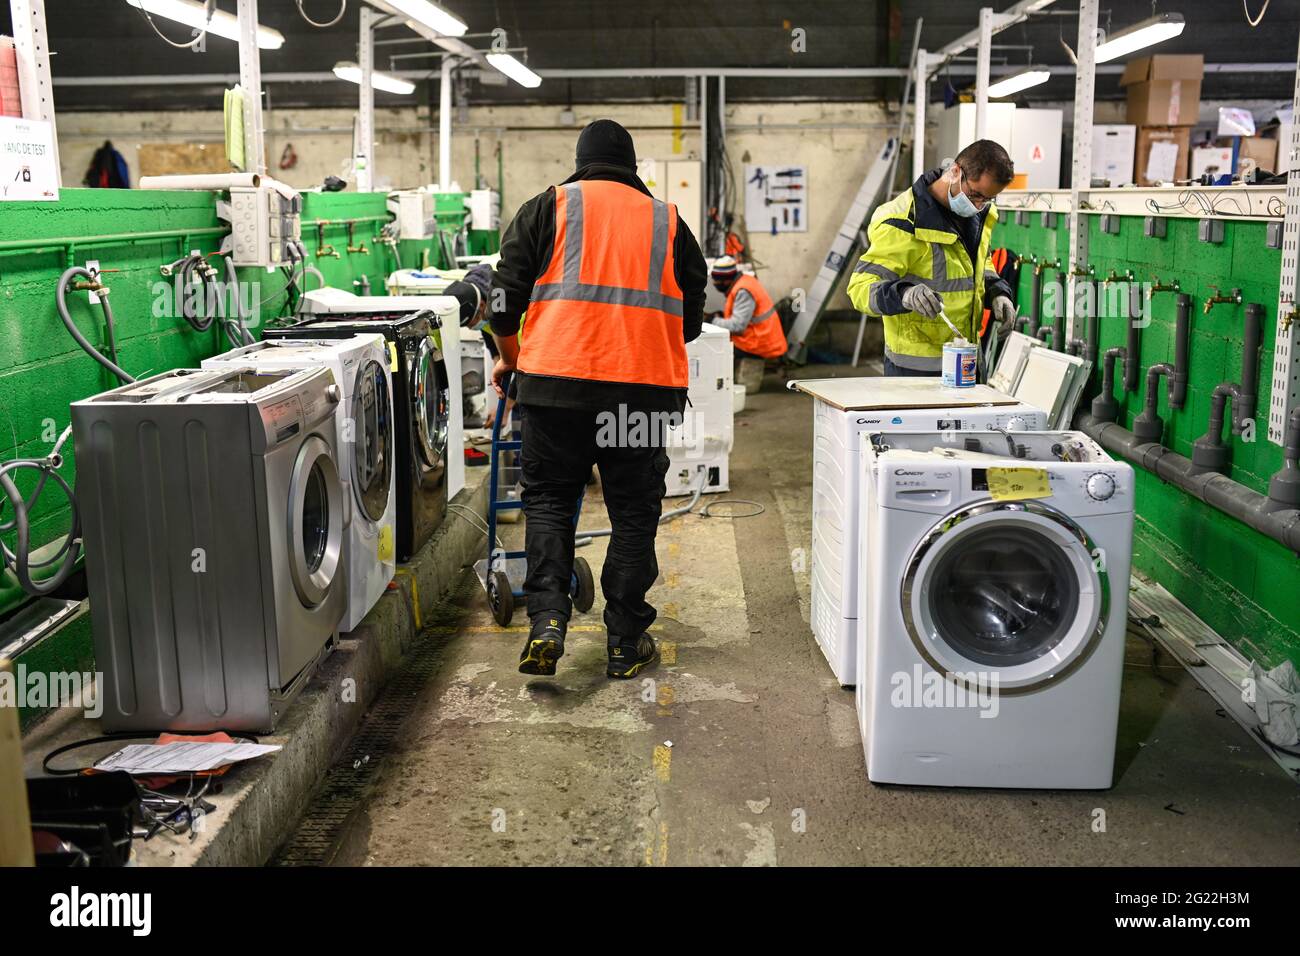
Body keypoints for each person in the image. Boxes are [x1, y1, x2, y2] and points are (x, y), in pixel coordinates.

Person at [487, 118, 708, 679]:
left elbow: (499, 303)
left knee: (551, 504)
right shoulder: (669, 221)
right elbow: (691, 321)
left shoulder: (547, 207)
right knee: (633, 515)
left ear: (580, 160)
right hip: (639, 398)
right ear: (632, 166)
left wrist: (510, 357)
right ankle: (624, 642)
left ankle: (547, 622)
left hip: (555, 394)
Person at [847, 139, 1019, 376]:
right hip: (915, 371)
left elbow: (979, 264)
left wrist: (998, 293)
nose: (979, 205)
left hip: (966, 362)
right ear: (955, 172)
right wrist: (905, 294)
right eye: (976, 194)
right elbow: (860, 289)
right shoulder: (903, 222)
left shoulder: (978, 216)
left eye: (988, 199)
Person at [707, 256, 786, 390]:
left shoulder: (743, 291)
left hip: (761, 342)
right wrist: (720, 316)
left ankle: (717, 387)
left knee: (713, 347)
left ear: (725, 280)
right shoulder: (745, 281)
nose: (714, 283)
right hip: (762, 336)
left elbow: (738, 326)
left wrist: (711, 321)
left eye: (716, 280)